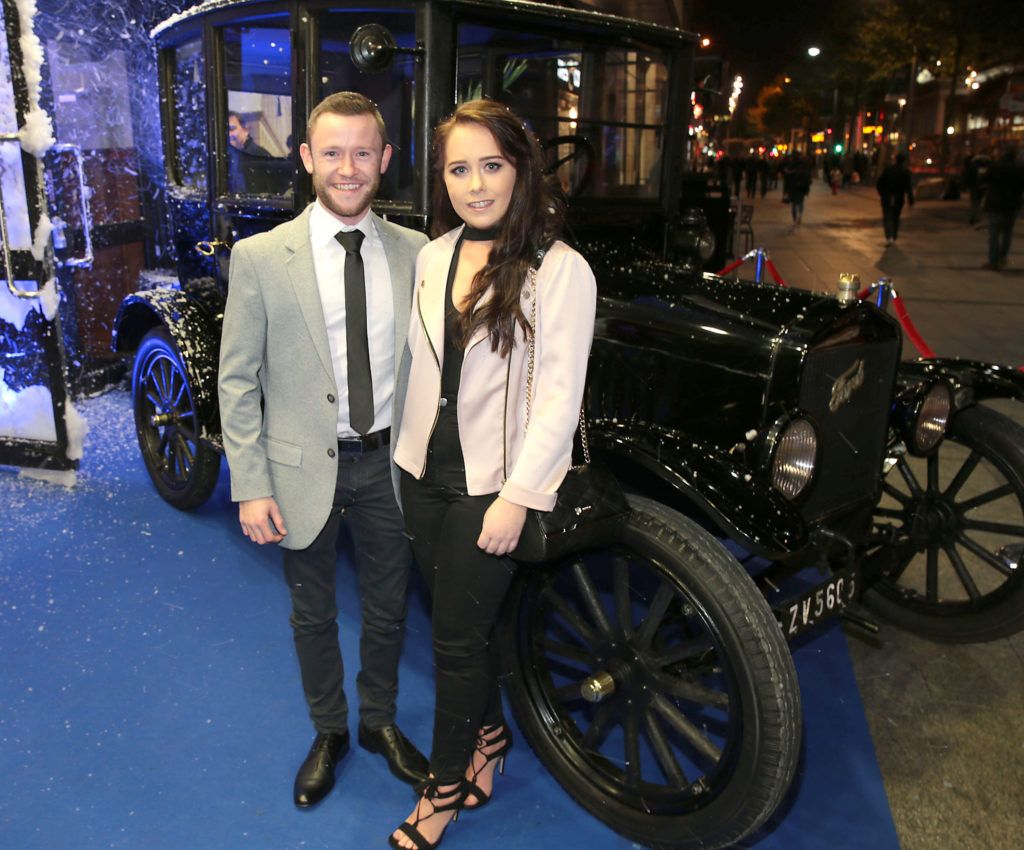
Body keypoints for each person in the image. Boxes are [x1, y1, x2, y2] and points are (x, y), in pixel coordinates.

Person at [388, 99, 597, 850]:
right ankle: (491, 737)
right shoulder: (433, 254)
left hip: (490, 488)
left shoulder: (560, 270)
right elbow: (421, 372)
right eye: (457, 168)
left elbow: (558, 401)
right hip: (420, 472)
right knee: (461, 633)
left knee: (452, 641)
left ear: (521, 167)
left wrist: (515, 499)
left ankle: (441, 789)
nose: (475, 184)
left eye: (491, 165)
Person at [217, 92, 430, 811]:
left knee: (389, 606)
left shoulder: (418, 252)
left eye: (363, 152)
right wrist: (250, 484)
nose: (348, 168)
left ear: (385, 161)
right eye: (332, 152)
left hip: (389, 467)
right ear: (306, 158)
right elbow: (237, 381)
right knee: (310, 613)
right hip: (299, 467)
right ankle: (330, 732)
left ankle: (378, 724)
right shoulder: (259, 259)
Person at [981, 146, 1024, 270]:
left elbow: (983, 179)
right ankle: (1002, 257)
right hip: (1011, 205)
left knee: (994, 234)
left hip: (995, 204)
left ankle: (993, 261)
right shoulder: (1019, 169)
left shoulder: (995, 167)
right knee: (1007, 233)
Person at [227, 111, 273, 193]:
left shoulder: (260, 155)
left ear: (245, 130)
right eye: (226, 130)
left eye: (232, 129)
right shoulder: (228, 156)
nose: (229, 134)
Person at [876, 152, 915, 245]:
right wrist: (911, 199)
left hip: (887, 196)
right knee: (895, 217)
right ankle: (893, 235)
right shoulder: (905, 172)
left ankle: (889, 236)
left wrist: (882, 193)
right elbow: (908, 187)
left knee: (887, 216)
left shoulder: (889, 170)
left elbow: (880, 183)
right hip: (899, 197)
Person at [782, 152, 811, 224]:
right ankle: (799, 216)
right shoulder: (804, 164)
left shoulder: (791, 165)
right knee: (800, 203)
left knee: (794, 204)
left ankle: (795, 219)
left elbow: (787, 177)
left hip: (793, 187)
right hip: (801, 188)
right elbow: (808, 176)